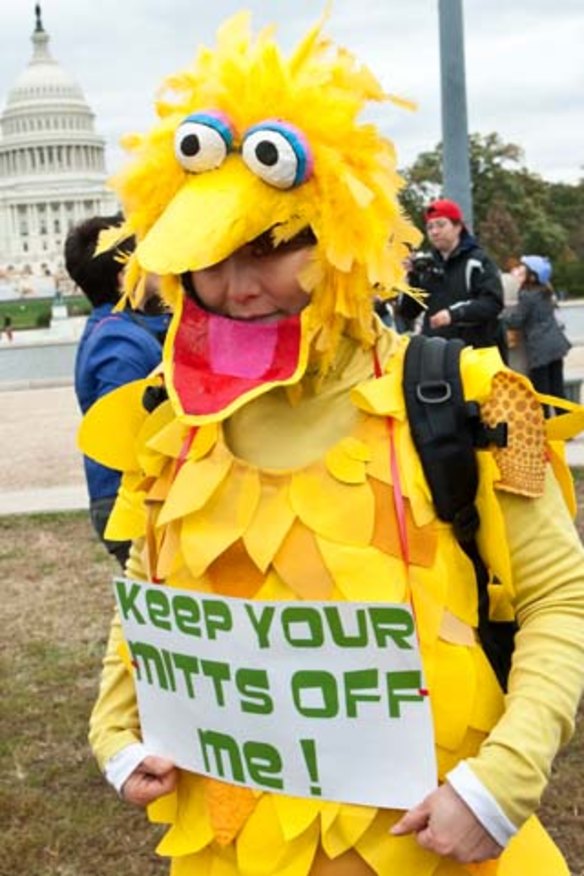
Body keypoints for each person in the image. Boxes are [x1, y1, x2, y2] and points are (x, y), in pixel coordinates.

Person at [81, 14, 584, 876]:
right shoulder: (164, 423)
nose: (237, 287)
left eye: (277, 246)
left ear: (344, 237)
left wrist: (500, 785)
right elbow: (149, 600)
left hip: (439, 852)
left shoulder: (472, 395)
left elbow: (562, 599)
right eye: (211, 252)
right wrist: (115, 728)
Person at [66, 214, 170, 568]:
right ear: (125, 276)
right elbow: (131, 438)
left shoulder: (122, 328)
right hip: (129, 503)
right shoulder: (119, 343)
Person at [397, 199, 504, 352]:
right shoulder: (426, 265)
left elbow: (492, 303)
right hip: (436, 355)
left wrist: (453, 314)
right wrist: (410, 278)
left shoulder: (478, 262)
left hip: (474, 353)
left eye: (441, 225)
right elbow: (408, 312)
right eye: (430, 227)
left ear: (458, 227)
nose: (434, 232)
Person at [504, 255, 571, 416]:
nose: (519, 271)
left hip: (540, 349)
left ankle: (545, 426)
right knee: (557, 388)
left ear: (532, 276)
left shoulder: (527, 296)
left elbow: (517, 321)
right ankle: (566, 424)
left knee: (542, 391)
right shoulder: (545, 291)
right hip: (555, 345)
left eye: (523, 270)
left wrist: (502, 316)